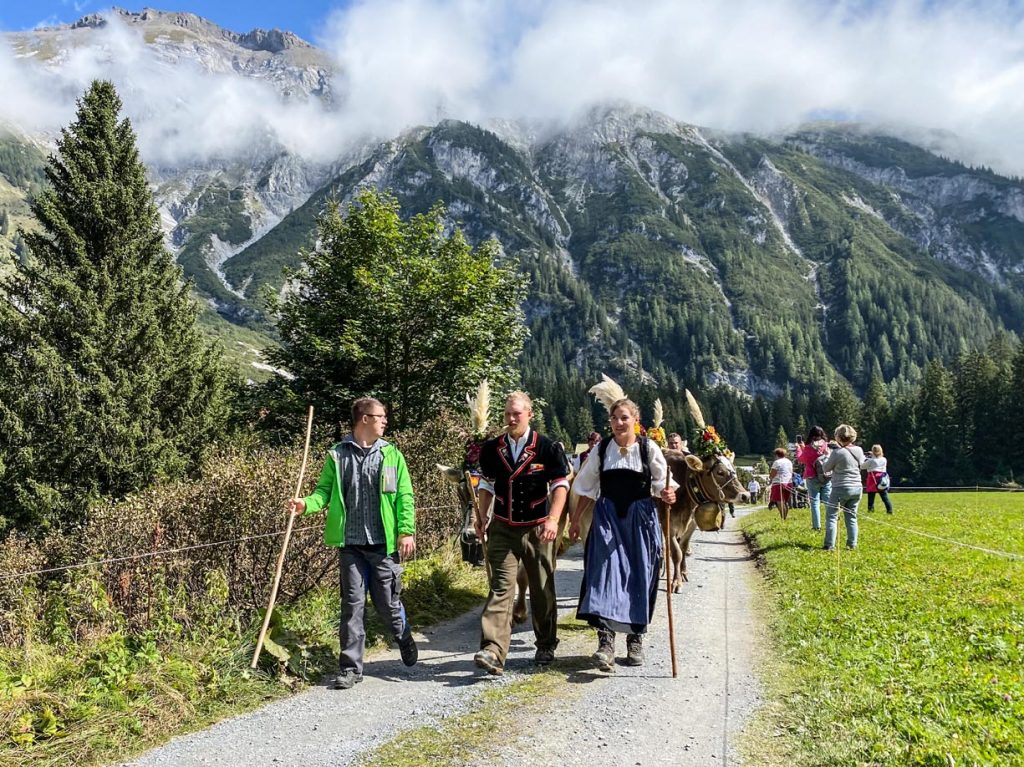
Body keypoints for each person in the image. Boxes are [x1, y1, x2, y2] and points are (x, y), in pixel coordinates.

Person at [289, 398, 418, 690]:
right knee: (352, 605)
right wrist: (304, 505)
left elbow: (404, 496)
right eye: (380, 416)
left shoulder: (392, 455)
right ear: (363, 419)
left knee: (387, 603)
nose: (385, 421)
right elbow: (323, 493)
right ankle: (350, 668)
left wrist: (406, 531)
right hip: (350, 544)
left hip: (383, 545)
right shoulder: (337, 455)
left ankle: (403, 634)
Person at [567, 399, 677, 671]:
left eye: (624, 418)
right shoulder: (602, 449)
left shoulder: (647, 448)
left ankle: (635, 638)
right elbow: (586, 486)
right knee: (602, 572)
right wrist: (576, 519)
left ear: (635, 420)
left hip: (640, 518)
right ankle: (605, 642)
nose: (618, 423)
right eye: (615, 418)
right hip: (607, 517)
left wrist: (668, 493)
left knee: (640, 575)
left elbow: (665, 485)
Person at [472, 392, 571, 675]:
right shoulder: (493, 449)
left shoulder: (548, 448)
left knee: (541, 588)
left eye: (517, 413)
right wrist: (481, 516)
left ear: (529, 414)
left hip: (538, 527)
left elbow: (560, 485)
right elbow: (487, 485)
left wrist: (553, 519)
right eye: (507, 414)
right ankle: (493, 650)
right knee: (501, 588)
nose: (511, 419)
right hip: (503, 526)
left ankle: (546, 643)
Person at [820, 423, 866, 550]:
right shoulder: (859, 450)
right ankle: (852, 544)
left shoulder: (837, 452)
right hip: (857, 487)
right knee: (851, 516)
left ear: (838, 437)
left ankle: (829, 544)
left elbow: (826, 468)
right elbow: (862, 464)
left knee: (832, 516)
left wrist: (826, 456)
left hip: (840, 487)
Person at [796, 425, 832, 531]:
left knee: (814, 502)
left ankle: (816, 526)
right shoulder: (825, 445)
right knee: (827, 500)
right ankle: (831, 522)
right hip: (826, 475)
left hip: (812, 476)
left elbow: (802, 459)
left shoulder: (808, 447)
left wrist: (799, 449)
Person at [862, 444, 894, 514]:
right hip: (882, 477)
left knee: (871, 495)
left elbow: (862, 466)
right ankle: (889, 510)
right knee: (884, 496)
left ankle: (871, 510)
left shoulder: (871, 460)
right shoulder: (884, 459)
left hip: (872, 477)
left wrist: (867, 458)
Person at [768, 447, 794, 520]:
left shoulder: (777, 462)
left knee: (779, 501)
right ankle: (785, 516)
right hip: (788, 483)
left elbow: (773, 474)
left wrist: (770, 478)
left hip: (778, 483)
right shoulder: (789, 462)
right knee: (785, 501)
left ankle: (783, 518)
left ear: (777, 455)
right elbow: (791, 472)